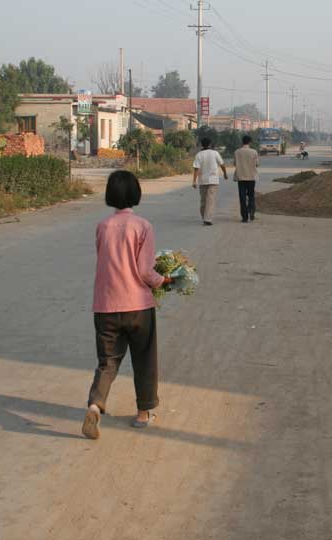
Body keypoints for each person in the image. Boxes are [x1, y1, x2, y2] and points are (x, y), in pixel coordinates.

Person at [82, 170, 173, 440]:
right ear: (136, 194)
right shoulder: (143, 226)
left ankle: (95, 406)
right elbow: (145, 271)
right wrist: (164, 280)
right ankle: (144, 413)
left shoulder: (102, 227)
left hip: (106, 305)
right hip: (137, 306)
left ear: (110, 195)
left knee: (107, 362)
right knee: (144, 359)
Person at [192, 137, 227, 226]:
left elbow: (196, 168)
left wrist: (194, 181)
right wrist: (225, 174)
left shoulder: (199, 154)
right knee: (210, 200)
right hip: (213, 180)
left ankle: (205, 217)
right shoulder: (215, 153)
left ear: (201, 145)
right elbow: (222, 165)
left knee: (203, 200)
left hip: (202, 180)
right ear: (210, 144)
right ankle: (207, 218)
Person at [234, 135, 259, 223]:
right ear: (250, 142)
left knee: (242, 197)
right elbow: (257, 164)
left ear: (242, 142)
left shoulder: (237, 152)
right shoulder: (254, 152)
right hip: (251, 177)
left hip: (241, 177)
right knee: (251, 196)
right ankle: (251, 212)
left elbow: (235, 163)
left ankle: (245, 217)